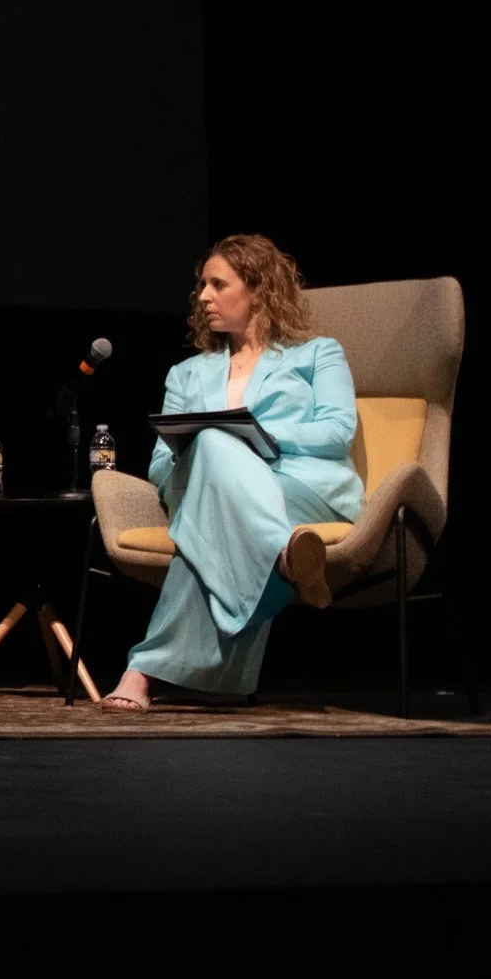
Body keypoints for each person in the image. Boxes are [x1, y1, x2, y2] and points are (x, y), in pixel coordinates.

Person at [102, 235, 365, 712]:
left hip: (300, 486)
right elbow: (162, 462)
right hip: (208, 492)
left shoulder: (316, 354)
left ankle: (143, 670)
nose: (203, 296)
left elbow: (336, 430)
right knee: (211, 451)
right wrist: (213, 457)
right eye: (201, 285)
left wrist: (255, 437)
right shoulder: (185, 374)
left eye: (217, 284)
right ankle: (285, 554)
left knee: (210, 512)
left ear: (259, 291)